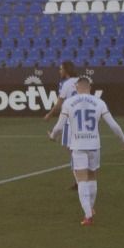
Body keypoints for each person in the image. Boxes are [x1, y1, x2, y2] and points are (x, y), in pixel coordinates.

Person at [48, 77, 124, 226]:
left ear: (77, 87)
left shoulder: (69, 103)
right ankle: (90, 208)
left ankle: (88, 215)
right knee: (92, 177)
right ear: (89, 87)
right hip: (94, 145)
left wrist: (53, 136)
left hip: (78, 145)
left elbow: (59, 126)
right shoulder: (99, 102)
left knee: (81, 179)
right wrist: (123, 139)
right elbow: (113, 124)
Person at [44, 61, 81, 192]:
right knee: (77, 150)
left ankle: (79, 183)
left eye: (61, 69)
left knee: (73, 151)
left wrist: (49, 114)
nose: (59, 71)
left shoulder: (66, 84)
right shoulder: (82, 81)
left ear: (66, 70)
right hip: (83, 119)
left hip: (71, 118)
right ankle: (82, 181)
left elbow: (59, 104)